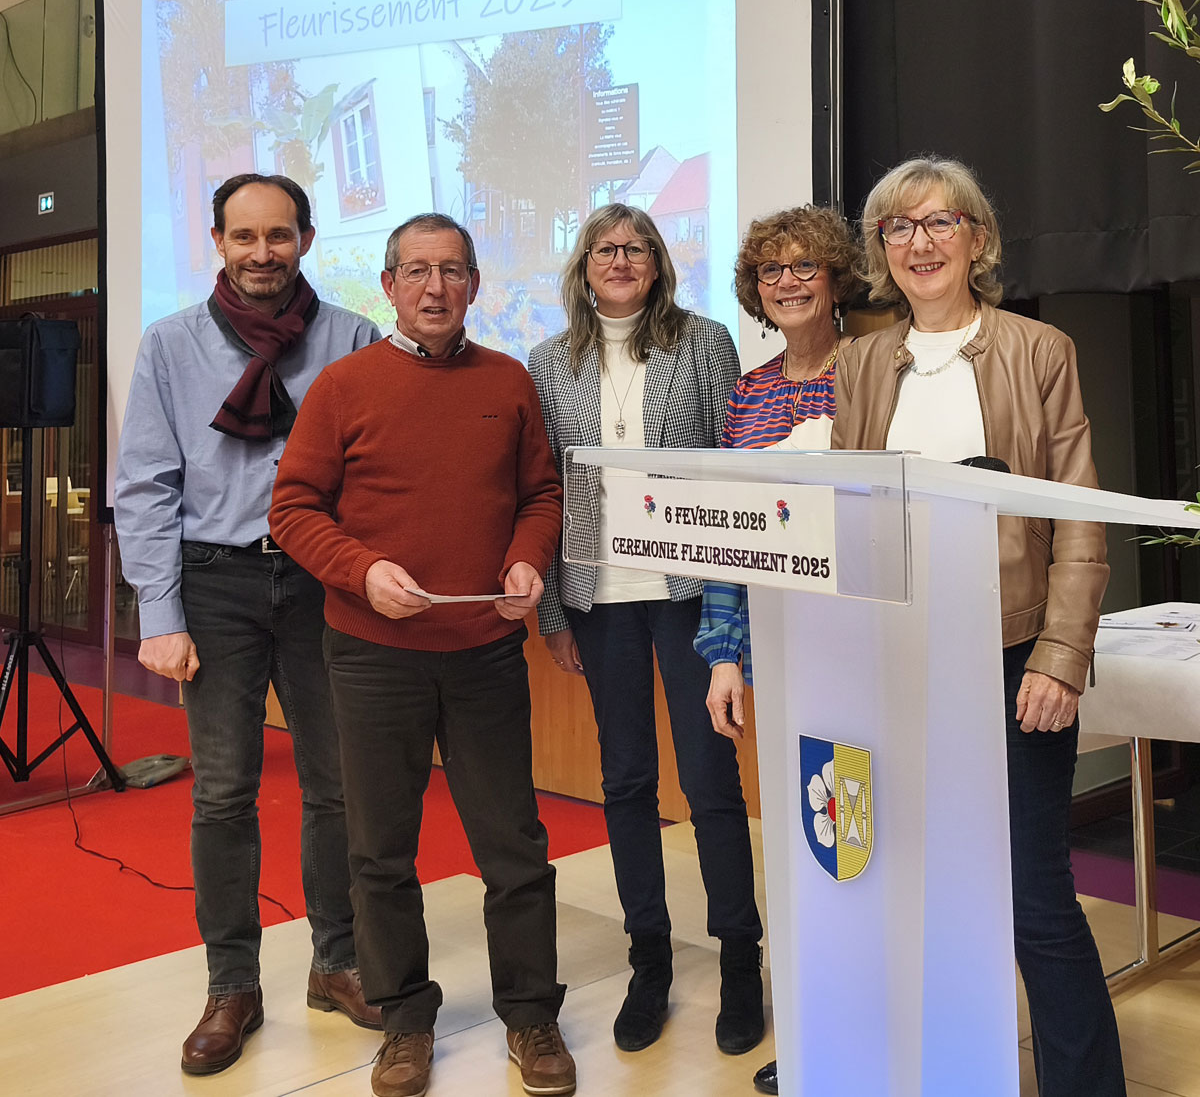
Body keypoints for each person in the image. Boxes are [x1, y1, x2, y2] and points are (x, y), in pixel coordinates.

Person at [831, 156, 1125, 1096]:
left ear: (978, 238)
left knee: (1034, 895)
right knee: (918, 884)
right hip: (899, 659)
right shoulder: (859, 362)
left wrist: (1062, 653)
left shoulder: (1040, 350)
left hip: (1013, 654)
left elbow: (1078, 511)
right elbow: (848, 512)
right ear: (881, 248)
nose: (919, 242)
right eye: (898, 226)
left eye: (940, 222)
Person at [269, 213, 575, 1097]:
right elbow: (292, 509)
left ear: (474, 285)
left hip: (485, 652)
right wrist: (362, 572)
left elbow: (541, 493)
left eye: (451, 271)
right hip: (373, 655)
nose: (435, 287)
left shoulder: (509, 381)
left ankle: (531, 1015)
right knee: (379, 852)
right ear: (390, 285)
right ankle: (404, 1021)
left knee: (514, 845)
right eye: (416, 271)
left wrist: (527, 557)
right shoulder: (343, 385)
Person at [114, 173, 382, 1076]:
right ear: (218, 242)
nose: (262, 252)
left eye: (279, 234)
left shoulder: (353, 339)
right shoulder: (170, 343)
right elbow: (145, 483)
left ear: (305, 237)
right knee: (223, 793)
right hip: (214, 582)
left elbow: (376, 475)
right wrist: (160, 612)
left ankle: (337, 961)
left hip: (321, 581)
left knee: (336, 785)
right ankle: (232, 984)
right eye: (244, 236)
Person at [528, 203, 764, 1058]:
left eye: (636, 248)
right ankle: (650, 961)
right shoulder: (549, 361)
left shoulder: (702, 344)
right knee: (625, 781)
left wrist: (735, 619)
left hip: (687, 592)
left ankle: (740, 960)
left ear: (658, 263)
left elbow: (732, 474)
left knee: (709, 780)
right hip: (600, 598)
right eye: (605, 247)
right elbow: (544, 490)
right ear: (584, 265)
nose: (620, 259)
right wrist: (553, 612)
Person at [694, 204, 858, 1096]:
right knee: (800, 843)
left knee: (856, 845)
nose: (787, 282)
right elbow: (730, 533)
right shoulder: (747, 393)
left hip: (860, 651)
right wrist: (724, 654)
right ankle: (812, 1030)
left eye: (805, 267)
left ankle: (865, 1027)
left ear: (836, 279)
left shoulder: (871, 371)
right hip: (777, 656)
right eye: (770, 270)